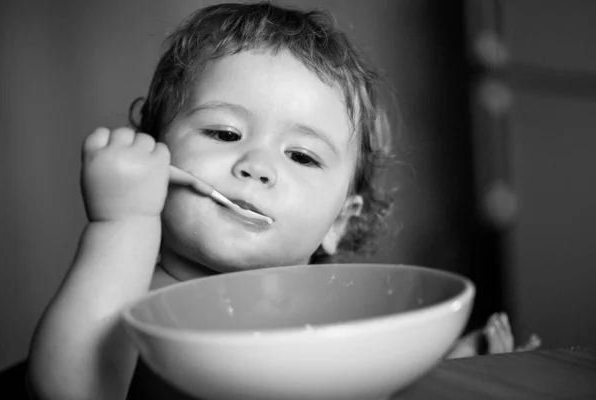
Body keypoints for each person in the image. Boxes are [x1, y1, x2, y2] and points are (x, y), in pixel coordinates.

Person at [26, 2, 539, 399]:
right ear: (155, 155)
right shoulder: (131, 286)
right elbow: (69, 390)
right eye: (225, 133)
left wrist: (442, 364)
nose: (257, 165)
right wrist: (122, 222)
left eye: (302, 156)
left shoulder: (336, 310)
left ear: (340, 220)